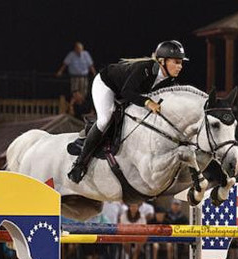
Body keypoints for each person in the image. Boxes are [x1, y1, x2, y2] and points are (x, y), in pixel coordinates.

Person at [67, 40, 187, 183]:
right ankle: (79, 164)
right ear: (162, 61)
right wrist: (147, 103)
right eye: (176, 62)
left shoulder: (170, 80)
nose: (180, 67)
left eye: (181, 63)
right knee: (106, 117)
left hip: (125, 92)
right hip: (106, 84)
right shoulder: (145, 69)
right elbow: (127, 92)